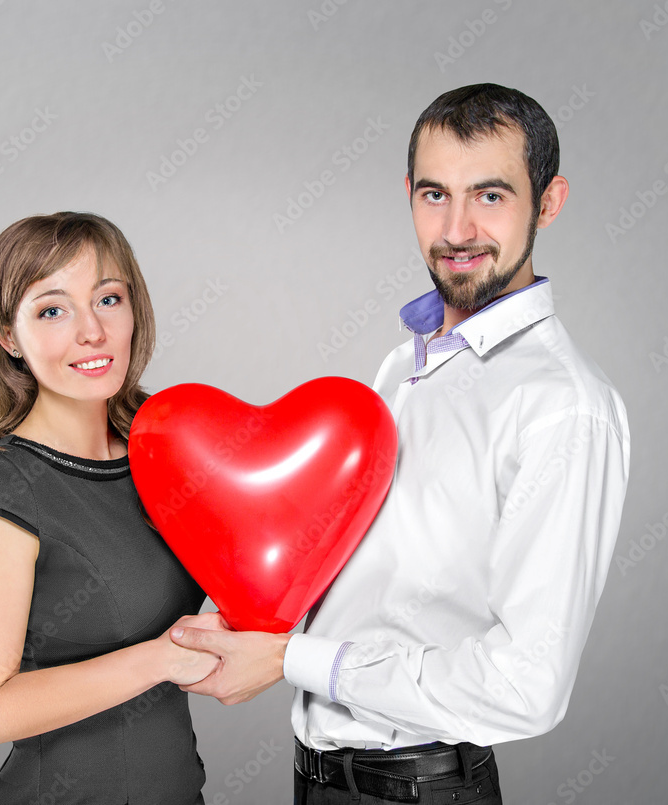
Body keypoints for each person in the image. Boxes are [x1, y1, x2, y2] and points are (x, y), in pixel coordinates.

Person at [170, 84, 631, 803]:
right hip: (320, 778)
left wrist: (292, 659)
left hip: (419, 788)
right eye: (434, 194)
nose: (457, 228)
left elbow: (526, 686)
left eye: (490, 195)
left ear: (548, 202)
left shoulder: (561, 406)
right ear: (408, 196)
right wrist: (246, 617)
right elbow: (369, 580)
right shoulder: (402, 367)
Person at [0, 212, 220, 804]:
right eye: (53, 310)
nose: (92, 331)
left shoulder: (161, 450)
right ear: (8, 337)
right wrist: (166, 657)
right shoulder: (1, 484)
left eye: (108, 299)